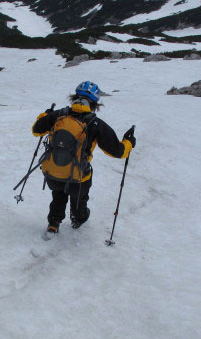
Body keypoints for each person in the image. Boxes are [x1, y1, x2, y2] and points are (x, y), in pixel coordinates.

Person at [31, 81, 136, 237]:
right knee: (79, 198)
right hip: (79, 177)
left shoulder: (59, 114)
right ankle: (78, 218)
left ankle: (53, 223)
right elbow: (118, 152)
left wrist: (45, 115)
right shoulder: (95, 123)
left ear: (75, 97)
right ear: (94, 103)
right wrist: (129, 142)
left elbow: (36, 130)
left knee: (58, 195)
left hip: (53, 173)